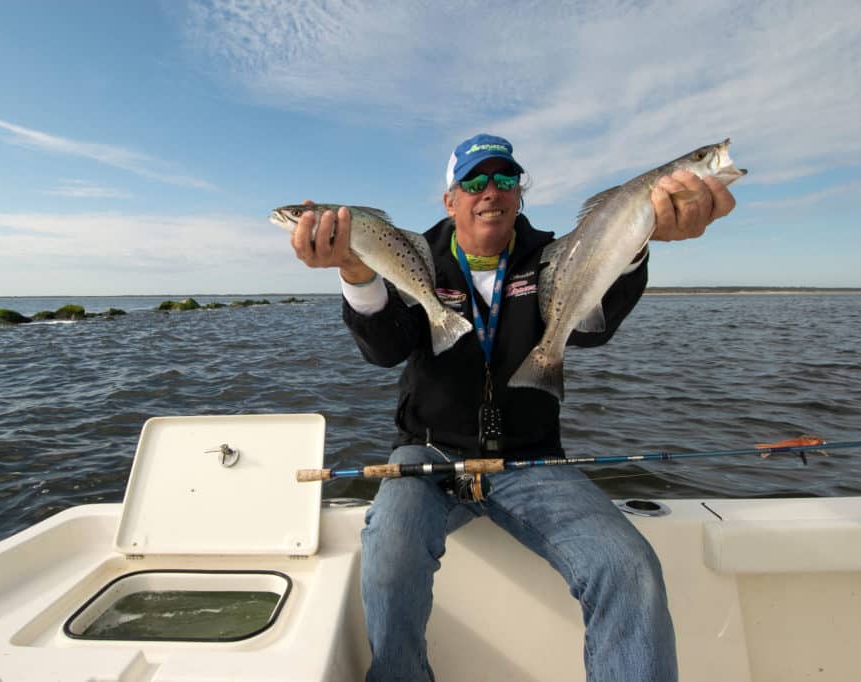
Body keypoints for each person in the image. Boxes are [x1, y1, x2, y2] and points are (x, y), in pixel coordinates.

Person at [288, 133, 737, 681]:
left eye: (505, 179)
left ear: (519, 194)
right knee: (387, 557)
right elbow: (384, 349)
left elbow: (596, 327)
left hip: (533, 460)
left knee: (629, 567)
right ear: (450, 200)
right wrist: (356, 274)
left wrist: (637, 238)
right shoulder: (414, 256)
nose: (490, 191)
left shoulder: (554, 253)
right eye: (474, 181)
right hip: (427, 456)